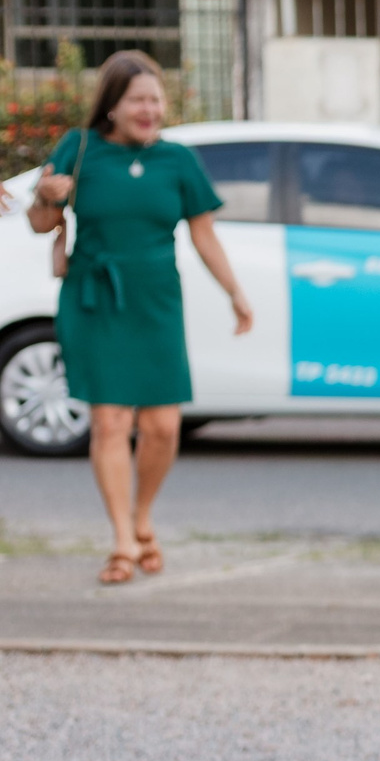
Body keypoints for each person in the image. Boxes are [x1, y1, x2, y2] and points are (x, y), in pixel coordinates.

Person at [25, 51, 252, 585]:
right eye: (137, 101)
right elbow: (41, 223)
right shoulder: (79, 148)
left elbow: (204, 235)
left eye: (155, 99)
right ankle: (123, 540)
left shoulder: (178, 160)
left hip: (155, 301)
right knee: (109, 423)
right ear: (112, 105)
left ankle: (142, 513)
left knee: (163, 428)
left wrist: (235, 293)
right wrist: (45, 197)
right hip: (95, 297)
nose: (149, 110)